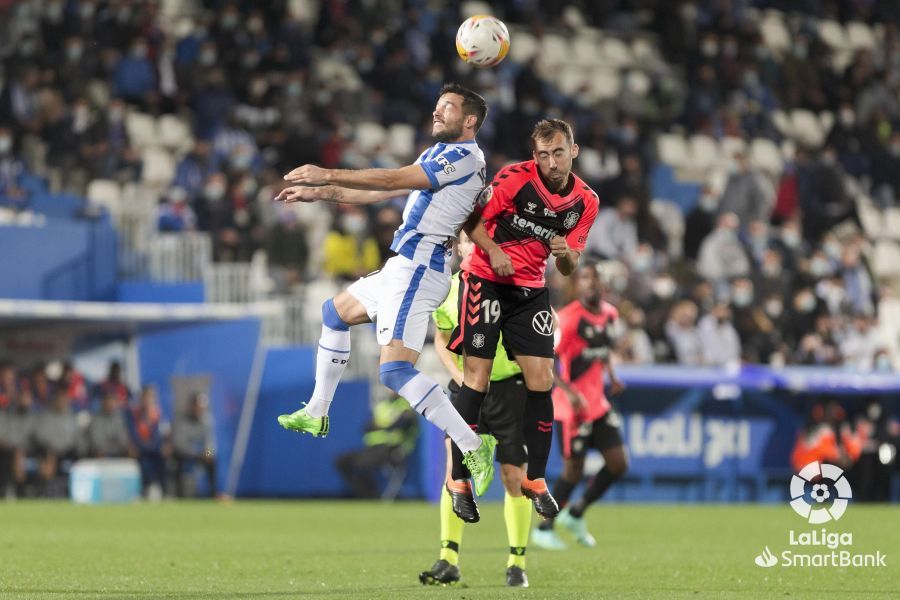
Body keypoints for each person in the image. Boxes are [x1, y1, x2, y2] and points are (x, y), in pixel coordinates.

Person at [275, 83, 496, 495]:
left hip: (420, 267)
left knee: (395, 371)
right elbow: (390, 189)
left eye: (446, 107)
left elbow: (394, 176)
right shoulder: (437, 154)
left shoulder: (466, 157)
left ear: (470, 121)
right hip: (403, 265)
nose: (437, 112)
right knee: (333, 313)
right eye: (436, 106)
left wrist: (328, 171)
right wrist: (322, 193)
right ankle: (318, 410)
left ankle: (472, 444)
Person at [446, 119, 600, 520]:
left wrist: (565, 253)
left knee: (542, 380)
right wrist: (493, 250)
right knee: (474, 378)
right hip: (485, 278)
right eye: (543, 154)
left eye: (558, 152)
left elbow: (568, 267)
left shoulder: (587, 202)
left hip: (530, 290)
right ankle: (460, 480)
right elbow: (470, 220)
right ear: (535, 156)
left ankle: (536, 480)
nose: (551, 161)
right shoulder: (514, 179)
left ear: (574, 151)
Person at [420, 232, 539, 588]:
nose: (476, 246)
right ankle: (448, 559)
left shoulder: (514, 285)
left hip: (509, 388)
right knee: (455, 473)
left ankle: (516, 562)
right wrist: (458, 374)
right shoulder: (448, 289)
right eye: (469, 241)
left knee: (514, 477)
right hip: (467, 388)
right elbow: (441, 339)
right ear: (461, 248)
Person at [533, 262, 627, 550]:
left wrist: (611, 376)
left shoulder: (610, 314)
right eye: (585, 278)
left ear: (605, 284)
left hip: (597, 403)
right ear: (577, 284)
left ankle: (575, 514)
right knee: (573, 471)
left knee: (618, 464)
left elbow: (604, 349)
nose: (591, 284)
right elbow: (547, 360)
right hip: (571, 407)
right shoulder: (568, 319)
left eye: (596, 278)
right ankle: (544, 527)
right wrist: (570, 392)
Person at [334, 395, 418, 499]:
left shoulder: (405, 406)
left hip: (392, 449)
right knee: (342, 461)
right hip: (372, 448)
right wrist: (385, 426)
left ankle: (371, 495)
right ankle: (363, 493)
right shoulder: (381, 406)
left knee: (362, 464)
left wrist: (380, 426)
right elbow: (367, 427)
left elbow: (401, 425)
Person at [172, 392, 218, 498]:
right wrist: (197, 453)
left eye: (202, 407)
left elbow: (210, 443)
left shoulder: (207, 420)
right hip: (185, 454)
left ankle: (213, 494)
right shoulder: (181, 421)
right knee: (177, 460)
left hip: (200, 454)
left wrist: (207, 453)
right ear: (192, 406)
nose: (200, 409)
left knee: (212, 461)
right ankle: (180, 496)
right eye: (198, 406)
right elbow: (179, 445)